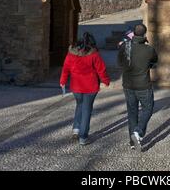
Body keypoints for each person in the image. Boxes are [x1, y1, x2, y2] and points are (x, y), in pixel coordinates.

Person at [60, 32, 110, 145]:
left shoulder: (71, 54)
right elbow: (101, 69)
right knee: (87, 110)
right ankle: (83, 136)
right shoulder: (94, 54)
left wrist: (62, 81)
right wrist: (105, 81)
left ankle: (76, 130)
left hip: (76, 86)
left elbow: (66, 68)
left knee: (79, 106)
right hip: (90, 86)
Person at [118, 23, 158, 151]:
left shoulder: (124, 47)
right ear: (144, 34)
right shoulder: (149, 49)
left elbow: (119, 63)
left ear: (133, 33)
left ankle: (132, 142)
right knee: (148, 108)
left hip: (128, 85)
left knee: (132, 112)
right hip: (143, 85)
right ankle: (138, 132)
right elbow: (154, 62)